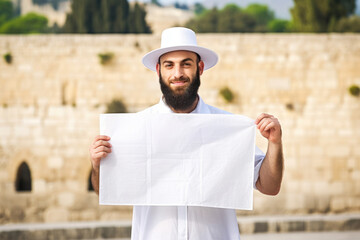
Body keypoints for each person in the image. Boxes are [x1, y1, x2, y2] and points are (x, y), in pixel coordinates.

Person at [89, 27, 283, 240]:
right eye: (169, 65)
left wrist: (275, 143)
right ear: (158, 70)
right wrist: (98, 167)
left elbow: (269, 186)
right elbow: (105, 190)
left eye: (186, 64)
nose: (178, 73)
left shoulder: (226, 128)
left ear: (199, 68)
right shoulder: (135, 129)